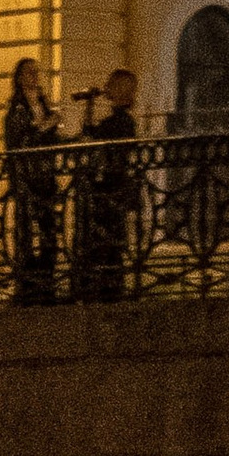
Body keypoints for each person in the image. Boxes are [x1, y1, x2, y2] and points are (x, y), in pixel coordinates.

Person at [73, 66, 139, 298]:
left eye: (110, 84)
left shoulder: (120, 122)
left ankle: (106, 288)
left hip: (110, 191)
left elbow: (91, 136)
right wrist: (89, 106)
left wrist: (90, 107)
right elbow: (91, 134)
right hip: (111, 190)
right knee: (108, 244)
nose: (106, 87)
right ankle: (107, 286)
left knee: (107, 244)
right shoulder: (120, 121)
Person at [3, 58, 61, 302]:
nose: (34, 77)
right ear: (19, 78)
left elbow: (49, 137)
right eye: (29, 73)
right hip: (27, 176)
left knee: (49, 227)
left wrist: (53, 128)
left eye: (37, 72)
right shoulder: (17, 108)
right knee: (26, 228)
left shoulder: (43, 104)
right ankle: (27, 280)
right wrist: (43, 128)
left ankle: (46, 278)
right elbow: (21, 141)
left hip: (45, 174)